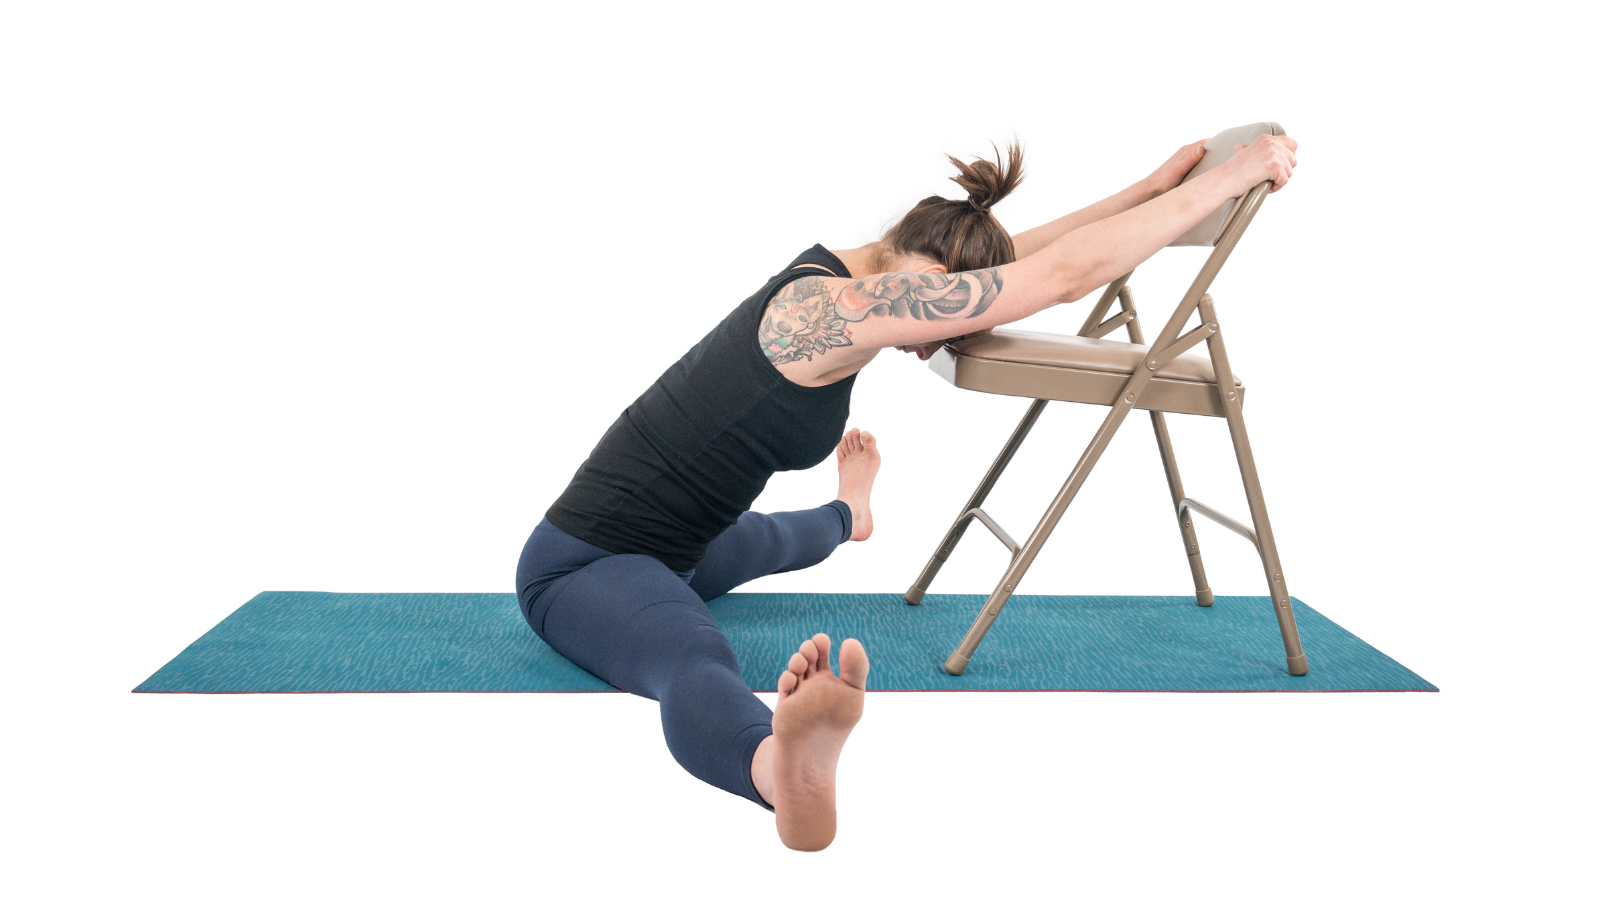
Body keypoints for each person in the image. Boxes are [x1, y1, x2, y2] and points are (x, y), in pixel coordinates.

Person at [515, 133, 1298, 851]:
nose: (930, 342)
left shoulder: (864, 272)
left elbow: (1032, 258)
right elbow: (1054, 278)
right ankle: (777, 771)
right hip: (584, 567)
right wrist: (1233, 175)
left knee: (775, 539)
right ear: (912, 265)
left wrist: (1147, 190)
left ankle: (849, 513)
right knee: (688, 649)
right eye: (938, 314)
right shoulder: (819, 312)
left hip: (679, 546)